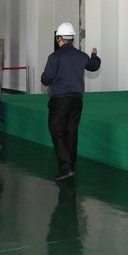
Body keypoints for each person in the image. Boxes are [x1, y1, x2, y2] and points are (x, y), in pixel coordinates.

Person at [40, 22, 101, 181]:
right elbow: (94, 66)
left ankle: (66, 167)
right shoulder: (81, 56)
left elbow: (46, 79)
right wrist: (94, 55)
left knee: (56, 129)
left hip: (60, 100)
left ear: (59, 38)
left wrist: (47, 77)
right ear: (72, 38)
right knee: (71, 131)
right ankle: (71, 164)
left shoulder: (55, 57)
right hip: (77, 100)